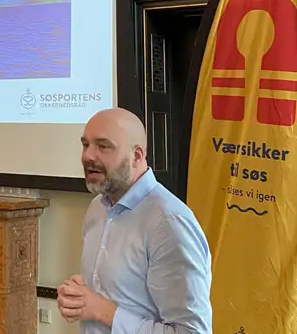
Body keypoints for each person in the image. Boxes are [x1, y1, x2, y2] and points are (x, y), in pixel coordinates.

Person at [57, 107, 212, 333]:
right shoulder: (97, 208)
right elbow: (108, 297)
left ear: (137, 156)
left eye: (103, 146)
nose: (88, 156)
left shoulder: (168, 223)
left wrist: (103, 311)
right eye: (85, 144)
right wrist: (78, 299)